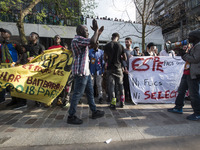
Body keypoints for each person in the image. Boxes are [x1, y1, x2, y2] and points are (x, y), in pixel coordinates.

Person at [67, 19, 105, 125]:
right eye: (86, 30)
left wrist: (98, 34)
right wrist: (96, 30)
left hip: (86, 72)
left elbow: (94, 45)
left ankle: (94, 111)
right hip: (81, 72)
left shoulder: (83, 40)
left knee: (90, 93)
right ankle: (71, 116)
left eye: (88, 31)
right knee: (77, 94)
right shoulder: (77, 39)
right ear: (79, 31)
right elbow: (92, 42)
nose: (88, 32)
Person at [179, 29, 200, 121]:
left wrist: (184, 55)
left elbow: (195, 59)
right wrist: (184, 55)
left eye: (190, 36)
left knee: (194, 94)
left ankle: (197, 113)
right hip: (191, 73)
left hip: (194, 74)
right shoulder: (195, 46)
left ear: (195, 37)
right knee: (192, 93)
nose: (189, 38)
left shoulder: (198, 46)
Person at [104, 33, 127, 109]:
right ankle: (122, 102)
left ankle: (113, 103)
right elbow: (125, 58)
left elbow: (105, 58)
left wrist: (108, 59)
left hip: (110, 68)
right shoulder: (121, 46)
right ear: (118, 38)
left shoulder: (107, 46)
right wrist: (120, 58)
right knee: (121, 85)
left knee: (111, 87)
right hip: (118, 68)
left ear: (112, 37)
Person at [167, 45, 190, 114]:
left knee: (195, 93)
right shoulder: (194, 47)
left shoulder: (197, 47)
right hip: (187, 72)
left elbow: (193, 59)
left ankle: (197, 112)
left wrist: (184, 54)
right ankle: (178, 107)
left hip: (192, 74)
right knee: (181, 90)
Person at [26, 32, 45, 107]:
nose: (30, 36)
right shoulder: (28, 46)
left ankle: (39, 100)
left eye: (32, 35)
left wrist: (33, 58)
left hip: (38, 68)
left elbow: (43, 56)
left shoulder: (41, 46)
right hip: (29, 68)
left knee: (38, 83)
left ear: (36, 37)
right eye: (30, 35)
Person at [0, 28, 18, 104]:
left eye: (4, 32)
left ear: (9, 35)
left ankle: (16, 100)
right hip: (4, 66)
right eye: (1, 32)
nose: (2, 34)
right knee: (3, 82)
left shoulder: (14, 43)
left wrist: (18, 62)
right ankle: (2, 98)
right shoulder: (1, 44)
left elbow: (22, 52)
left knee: (13, 83)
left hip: (13, 66)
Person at [123, 37, 133, 102]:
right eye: (125, 42)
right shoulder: (123, 51)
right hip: (126, 70)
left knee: (131, 84)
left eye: (127, 42)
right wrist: (125, 67)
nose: (126, 43)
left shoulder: (133, 51)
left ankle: (132, 96)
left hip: (133, 71)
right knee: (125, 84)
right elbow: (123, 60)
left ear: (130, 42)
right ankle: (126, 97)